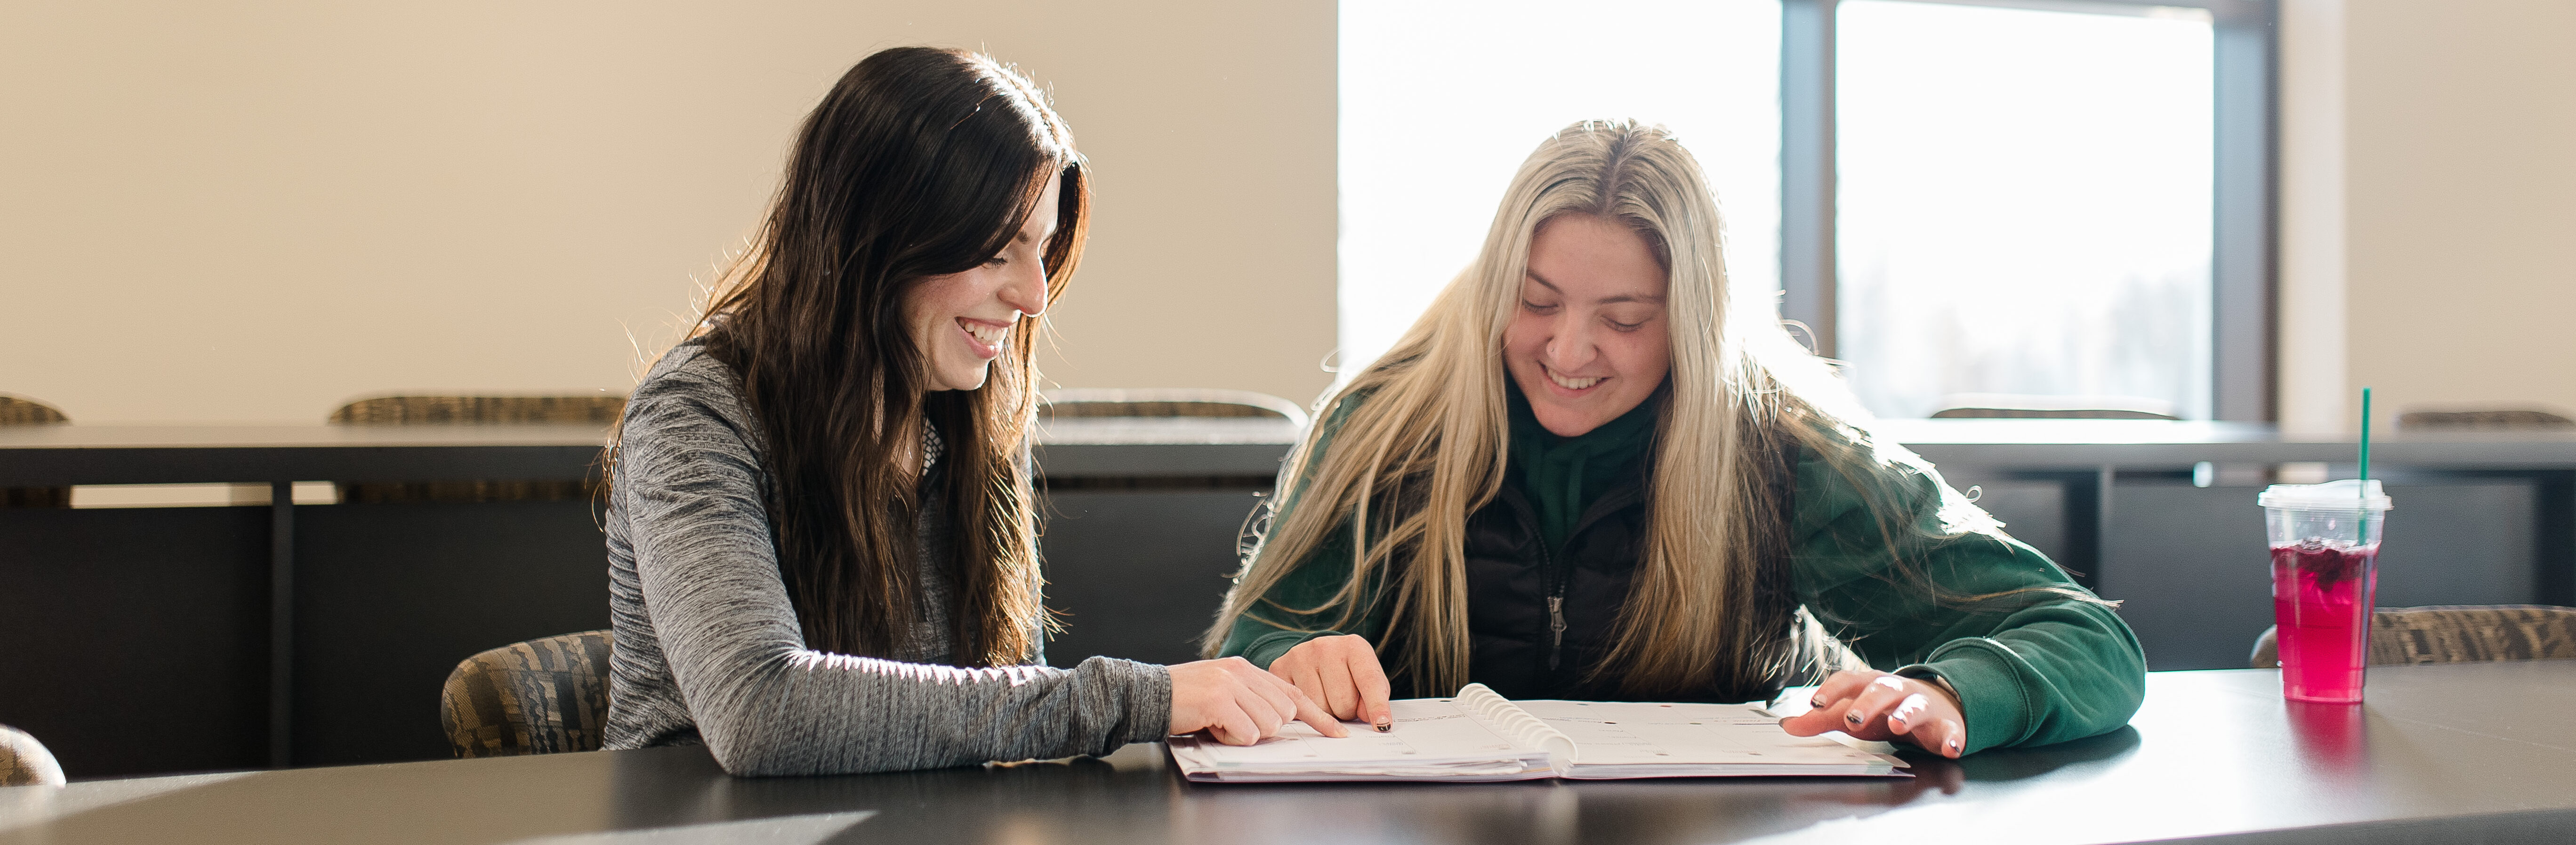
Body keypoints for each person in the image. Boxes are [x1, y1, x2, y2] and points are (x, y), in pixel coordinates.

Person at [1207, 120, 2144, 758]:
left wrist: (1950, 694)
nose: (1569, 350)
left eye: (1625, 318)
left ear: (1694, 325)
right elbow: (1248, 650)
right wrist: (1287, 660)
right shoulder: (1389, 425)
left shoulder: (1783, 453)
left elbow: (2084, 637)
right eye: (1535, 303)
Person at [604, 47, 1339, 776]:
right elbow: (761, 710)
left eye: (1042, 250)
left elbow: (1005, 704)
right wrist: (1137, 699)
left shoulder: (967, 410)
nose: (1034, 297)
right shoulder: (695, 412)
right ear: (875, 240)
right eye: (996, 252)